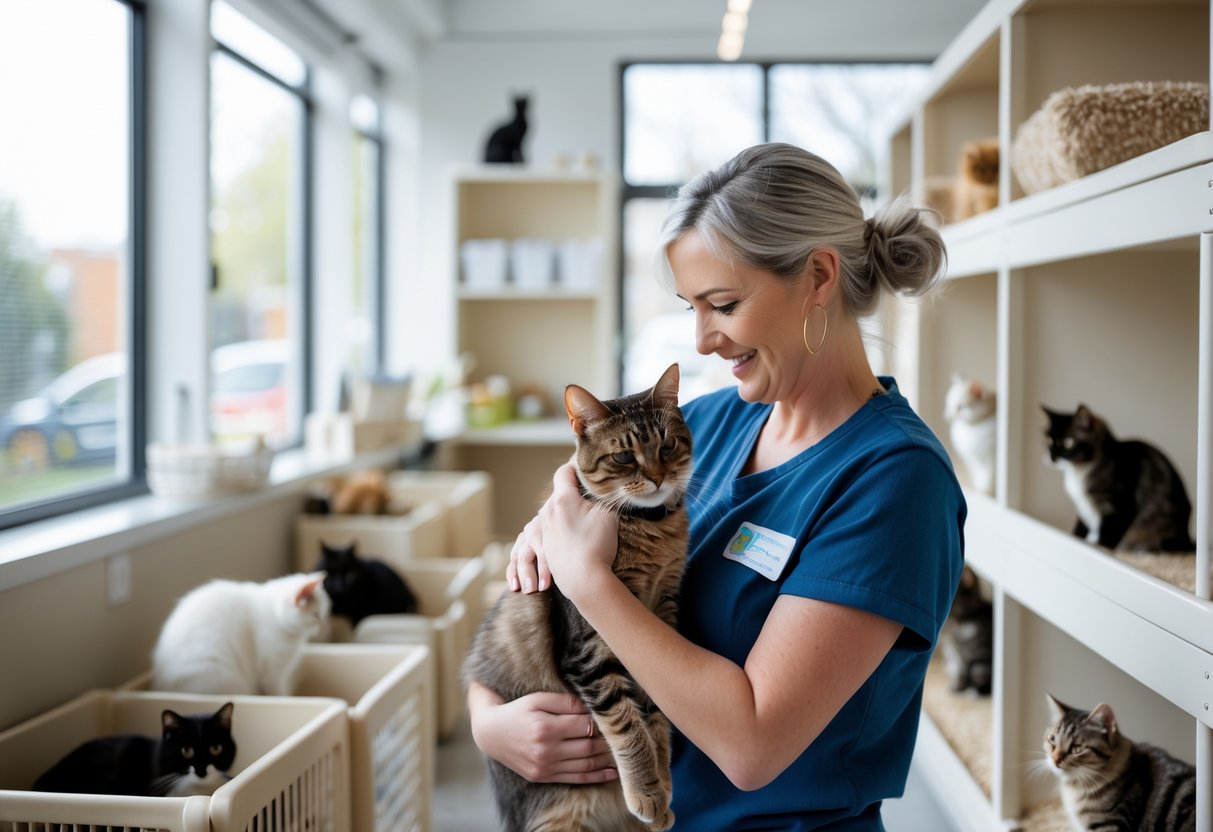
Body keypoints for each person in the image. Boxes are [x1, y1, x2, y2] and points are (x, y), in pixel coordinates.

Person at [467, 142, 967, 831]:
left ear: (818, 276)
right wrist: (490, 723)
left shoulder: (894, 480)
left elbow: (751, 744)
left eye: (722, 304)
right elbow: (526, 614)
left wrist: (589, 578)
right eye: (689, 309)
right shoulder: (698, 427)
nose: (702, 340)